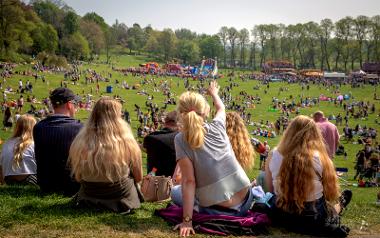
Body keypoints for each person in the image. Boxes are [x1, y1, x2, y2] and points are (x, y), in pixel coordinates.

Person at [171, 81, 253, 237]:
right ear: (206, 111)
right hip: (246, 200)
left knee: (175, 191)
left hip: (216, 209)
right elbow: (221, 108)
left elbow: (189, 182)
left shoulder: (181, 140)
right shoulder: (218, 126)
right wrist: (214, 93)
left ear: (180, 113)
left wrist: (187, 221)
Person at [265, 115, 352, 236]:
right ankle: (340, 205)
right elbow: (329, 192)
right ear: (314, 135)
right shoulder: (321, 157)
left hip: (281, 214)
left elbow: (270, 189)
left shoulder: (273, 154)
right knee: (329, 209)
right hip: (312, 216)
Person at [69, 97, 143, 213]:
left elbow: (78, 177)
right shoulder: (127, 141)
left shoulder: (80, 140)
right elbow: (138, 177)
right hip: (120, 196)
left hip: (89, 194)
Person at [33, 87, 82, 196]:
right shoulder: (80, 128)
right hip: (72, 187)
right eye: (75, 104)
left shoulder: (38, 127)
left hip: (45, 185)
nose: (76, 107)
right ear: (69, 105)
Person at [0, 114, 37, 185]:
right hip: (31, 180)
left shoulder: (6, 143)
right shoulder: (34, 144)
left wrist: (3, 183)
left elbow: (0, 167)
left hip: (9, 179)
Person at [143, 111, 178, 176]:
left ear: (165, 121)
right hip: (178, 182)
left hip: (155, 181)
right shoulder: (183, 139)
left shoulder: (151, 138)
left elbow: (145, 149)